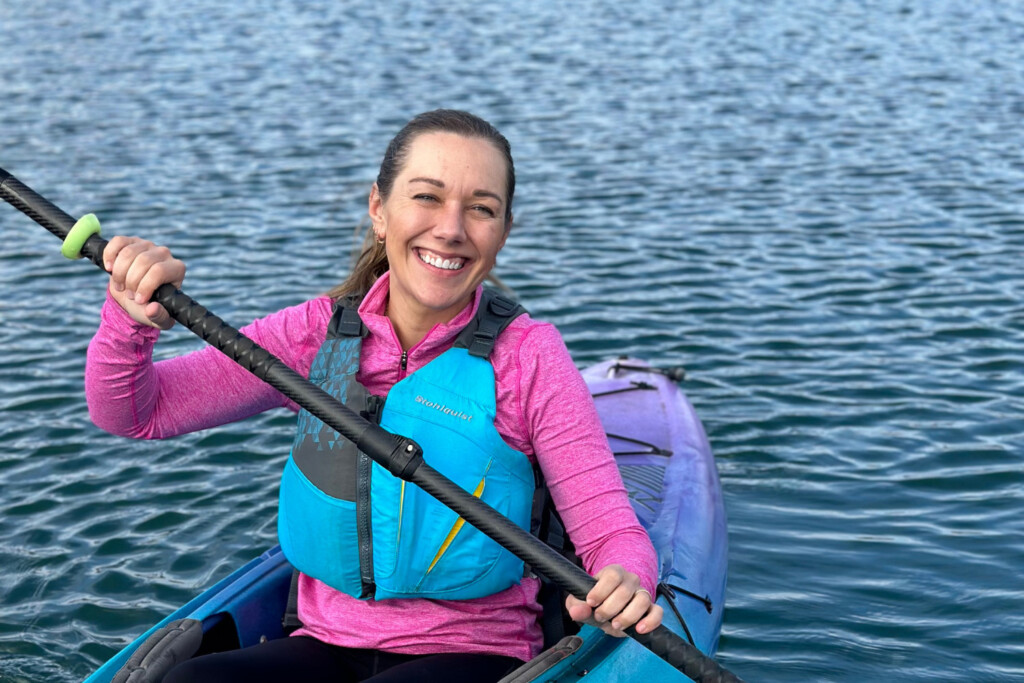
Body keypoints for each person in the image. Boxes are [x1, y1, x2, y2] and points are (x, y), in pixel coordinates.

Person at [86, 110, 662, 683]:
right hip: (322, 643)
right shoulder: (312, 336)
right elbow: (137, 413)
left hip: (472, 654)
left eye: (480, 209)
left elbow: (610, 531)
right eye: (427, 197)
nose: (451, 229)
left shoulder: (529, 357)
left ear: (504, 231)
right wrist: (128, 319)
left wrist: (624, 581)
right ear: (379, 210)